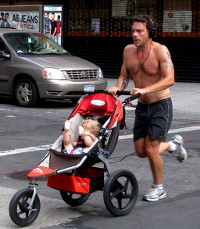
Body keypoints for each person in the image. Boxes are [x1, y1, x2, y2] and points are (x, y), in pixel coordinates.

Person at [108, 15, 187, 202]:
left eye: (139, 31)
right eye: (133, 31)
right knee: (141, 151)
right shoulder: (128, 51)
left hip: (161, 105)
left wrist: (144, 89)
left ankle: (158, 188)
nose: (135, 35)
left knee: (151, 149)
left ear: (149, 32)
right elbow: (124, 75)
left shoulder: (161, 51)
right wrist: (119, 87)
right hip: (142, 107)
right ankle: (173, 146)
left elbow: (170, 79)